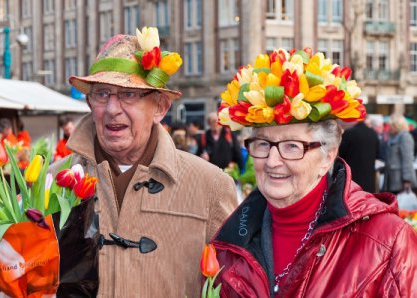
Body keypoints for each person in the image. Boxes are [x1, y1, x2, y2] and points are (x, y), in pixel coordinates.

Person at [208, 49, 417, 297]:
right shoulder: (229, 245)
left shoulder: (387, 240)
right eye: (263, 144)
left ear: (327, 157)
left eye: (292, 147)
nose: (273, 161)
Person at [53, 27, 238, 297]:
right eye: (102, 94)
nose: (113, 109)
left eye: (129, 94)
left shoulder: (210, 186)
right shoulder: (53, 181)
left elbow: (233, 285)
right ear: (91, 103)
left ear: (160, 107)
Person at [339, 121, 379, 193]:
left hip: (352, 179)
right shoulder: (373, 134)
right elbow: (378, 154)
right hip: (368, 179)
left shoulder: (349, 133)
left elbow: (341, 155)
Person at [382, 113, 417, 194]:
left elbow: (407, 159)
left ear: (397, 125)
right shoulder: (393, 136)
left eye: (391, 125)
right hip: (391, 178)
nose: (389, 128)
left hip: (400, 180)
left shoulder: (405, 136)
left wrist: (407, 180)